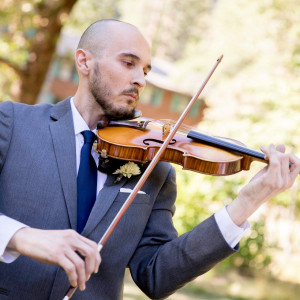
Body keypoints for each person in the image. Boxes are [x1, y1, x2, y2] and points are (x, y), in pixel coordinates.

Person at [0, 19, 299, 300]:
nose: (140, 79)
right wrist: (20, 238)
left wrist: (246, 203)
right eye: (128, 63)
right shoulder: (13, 123)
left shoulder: (156, 167)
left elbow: (158, 276)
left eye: (145, 70)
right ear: (84, 61)